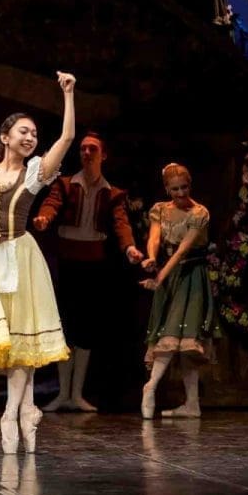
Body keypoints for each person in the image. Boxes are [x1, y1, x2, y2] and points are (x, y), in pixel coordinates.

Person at [0, 55, 75, 454]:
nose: (30, 137)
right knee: (4, 342)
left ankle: (12, 413)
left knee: (20, 341)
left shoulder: (35, 172)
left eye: (34, 134)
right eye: (24, 131)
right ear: (4, 137)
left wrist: (68, 95)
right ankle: (27, 408)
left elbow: (67, 138)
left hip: (21, 258)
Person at [34, 132, 144, 412]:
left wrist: (130, 248)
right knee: (65, 327)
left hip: (94, 264)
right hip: (67, 263)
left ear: (103, 155)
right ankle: (62, 393)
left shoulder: (112, 193)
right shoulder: (65, 184)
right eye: (83, 148)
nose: (86, 153)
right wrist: (45, 217)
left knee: (86, 329)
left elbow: (121, 223)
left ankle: (76, 394)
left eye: (92, 149)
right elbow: (51, 204)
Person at [138, 163, 219, 419]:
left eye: (184, 187)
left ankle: (170, 394)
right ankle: (160, 389)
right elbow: (155, 238)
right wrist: (152, 258)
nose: (181, 193)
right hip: (170, 275)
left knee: (185, 339)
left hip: (192, 276)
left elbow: (183, 249)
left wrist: (159, 277)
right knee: (170, 333)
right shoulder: (160, 209)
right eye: (175, 189)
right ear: (167, 189)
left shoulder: (199, 213)